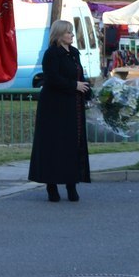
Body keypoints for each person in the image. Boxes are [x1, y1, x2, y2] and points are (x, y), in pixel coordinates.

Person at [28, 20, 92, 203]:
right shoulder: (52, 54)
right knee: (54, 145)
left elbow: (79, 76)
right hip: (54, 106)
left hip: (73, 106)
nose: (72, 35)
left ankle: (72, 183)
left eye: (71, 32)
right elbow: (53, 78)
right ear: (60, 35)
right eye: (69, 32)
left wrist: (89, 91)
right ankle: (52, 185)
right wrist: (74, 85)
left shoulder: (73, 53)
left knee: (72, 144)